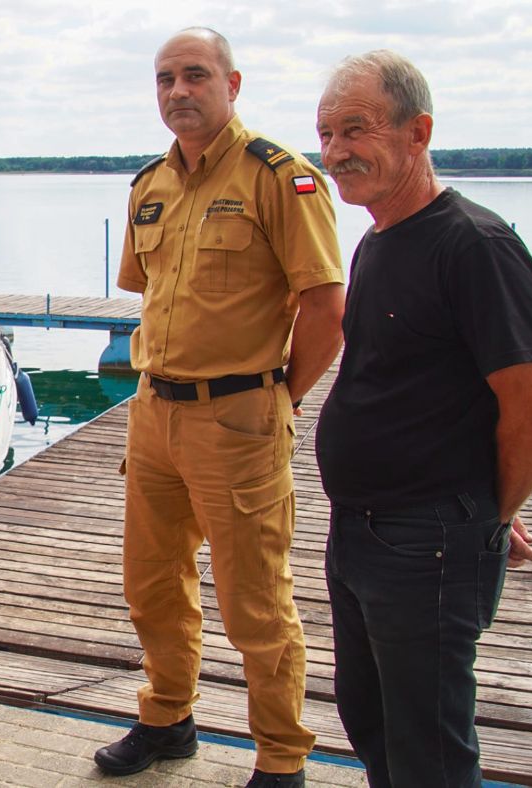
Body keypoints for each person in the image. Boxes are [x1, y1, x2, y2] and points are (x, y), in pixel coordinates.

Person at [93, 28, 346, 787]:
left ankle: (280, 757)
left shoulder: (281, 176)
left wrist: (279, 398)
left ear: (232, 84)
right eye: (165, 78)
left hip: (238, 417)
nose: (179, 91)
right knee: (153, 585)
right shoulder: (151, 185)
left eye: (195, 75)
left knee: (255, 603)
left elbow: (326, 307)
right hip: (154, 413)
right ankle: (167, 718)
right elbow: (147, 291)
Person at [314, 51, 532, 787]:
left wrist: (488, 512)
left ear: (417, 131)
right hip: (359, 531)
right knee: (370, 719)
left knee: (431, 751)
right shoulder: (376, 240)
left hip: (425, 544)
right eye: (325, 134)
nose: (334, 152)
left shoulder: (476, 246)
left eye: (355, 130)